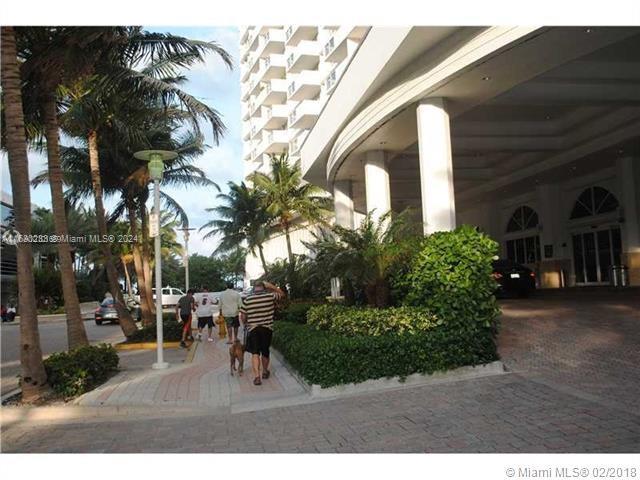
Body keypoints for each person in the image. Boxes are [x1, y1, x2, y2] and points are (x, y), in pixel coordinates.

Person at [239, 281, 284, 386]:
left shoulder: (248, 299)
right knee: (265, 350)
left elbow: (243, 315)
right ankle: (264, 371)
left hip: (253, 329)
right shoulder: (270, 296)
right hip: (267, 328)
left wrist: (246, 324)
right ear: (264, 288)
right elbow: (282, 294)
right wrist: (271, 286)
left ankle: (257, 377)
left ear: (254, 288)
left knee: (255, 352)